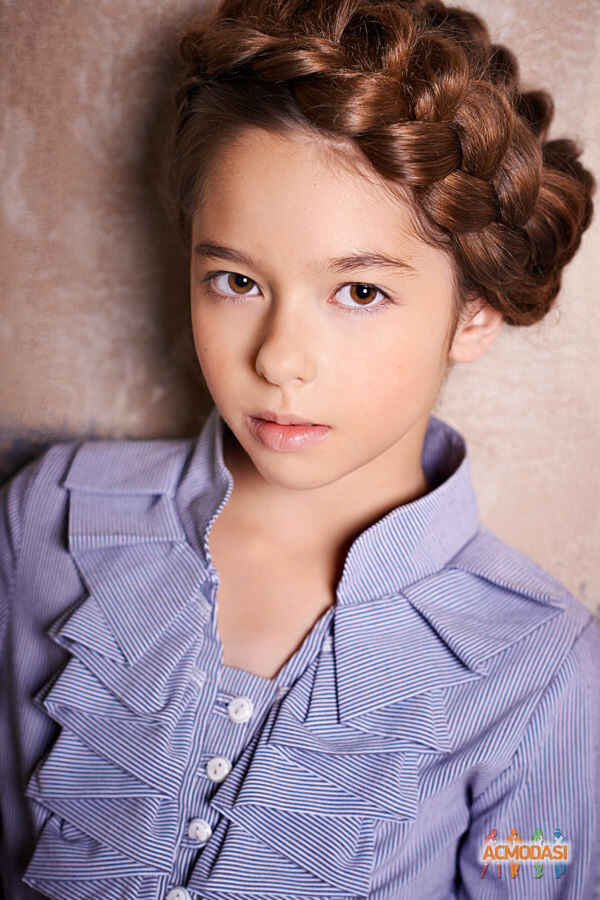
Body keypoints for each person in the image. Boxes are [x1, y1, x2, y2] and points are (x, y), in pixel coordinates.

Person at [1, 0, 598, 897]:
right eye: (236, 280)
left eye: (359, 292)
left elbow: (545, 861)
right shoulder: (50, 518)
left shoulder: (537, 668)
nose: (279, 359)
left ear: (472, 313)